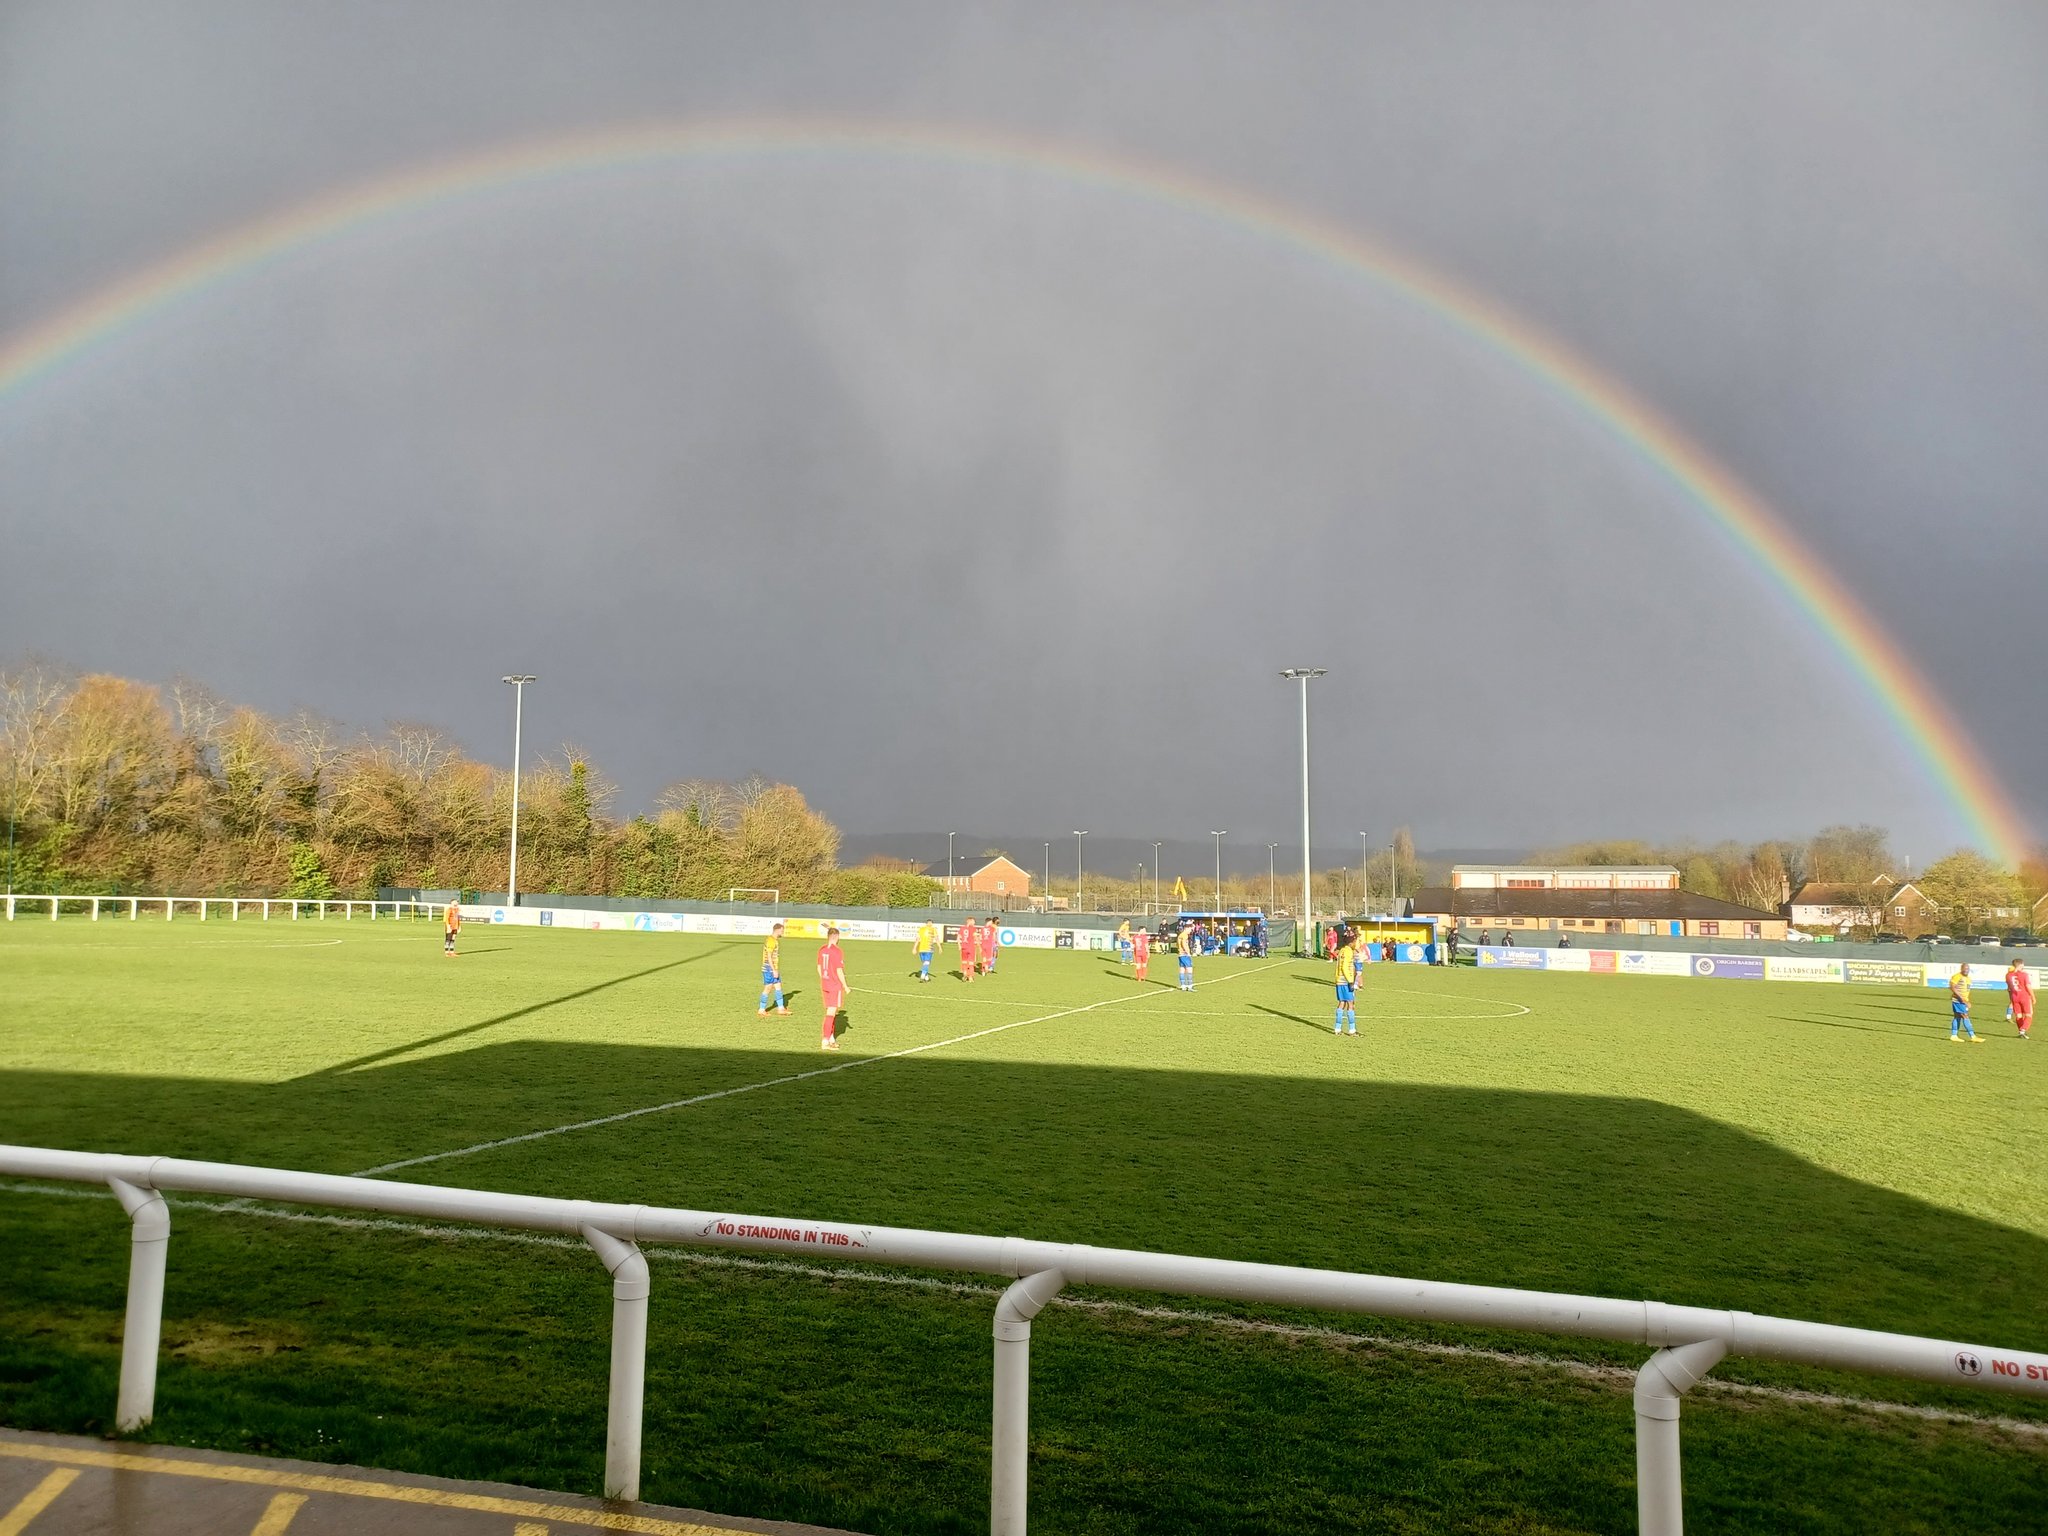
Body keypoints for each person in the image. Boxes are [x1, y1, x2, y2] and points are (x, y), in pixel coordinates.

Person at [817, 927, 846, 1049]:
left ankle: (831, 1038)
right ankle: (825, 1041)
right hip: (834, 985)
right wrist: (845, 985)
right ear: (837, 937)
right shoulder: (837, 951)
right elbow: (839, 970)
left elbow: (818, 968)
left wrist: (824, 979)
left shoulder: (822, 949)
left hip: (825, 984)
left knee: (832, 1012)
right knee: (831, 1012)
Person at [758, 922, 788, 1015]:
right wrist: (774, 970)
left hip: (773, 968)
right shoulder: (771, 941)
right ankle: (761, 1010)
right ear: (778, 930)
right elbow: (769, 956)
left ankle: (781, 1008)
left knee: (778, 986)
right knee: (768, 988)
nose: (782, 932)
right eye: (782, 931)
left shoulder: (774, 940)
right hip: (769, 969)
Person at [1333, 933, 1357, 1036]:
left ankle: (1337, 1029)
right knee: (1351, 1004)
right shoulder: (1348, 952)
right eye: (1355, 942)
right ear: (1351, 943)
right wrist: (1350, 981)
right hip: (1345, 981)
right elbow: (1345, 967)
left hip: (1339, 980)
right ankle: (1352, 1030)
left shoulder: (1342, 951)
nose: (1356, 944)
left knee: (1341, 1003)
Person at [1950, 964, 1980, 1042]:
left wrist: (1966, 1000)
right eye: (1965, 968)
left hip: (1962, 1000)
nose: (1967, 970)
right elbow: (1952, 987)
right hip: (1958, 1000)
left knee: (1957, 1017)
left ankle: (1954, 1035)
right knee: (1965, 1016)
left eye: (1968, 968)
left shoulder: (1968, 979)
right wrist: (1963, 1000)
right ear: (1961, 969)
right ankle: (1973, 1036)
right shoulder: (1957, 976)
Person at [2006, 957, 2033, 1041]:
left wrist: (2011, 998)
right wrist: (2033, 996)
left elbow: (2009, 988)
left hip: (2015, 996)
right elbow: (2028, 986)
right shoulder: (2024, 974)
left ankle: (2021, 1032)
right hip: (2024, 996)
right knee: (2029, 1014)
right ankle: (2023, 1030)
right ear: (2020, 964)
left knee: (2019, 1015)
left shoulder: (2008, 975)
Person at [1177, 921, 1196, 991]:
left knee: (1182, 969)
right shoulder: (1184, 935)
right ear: (1187, 928)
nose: (1191, 931)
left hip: (1180, 954)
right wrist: (1188, 952)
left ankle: (1183, 985)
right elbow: (1184, 944)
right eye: (1190, 929)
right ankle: (1190, 986)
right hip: (1184, 954)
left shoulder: (1180, 935)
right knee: (1189, 969)